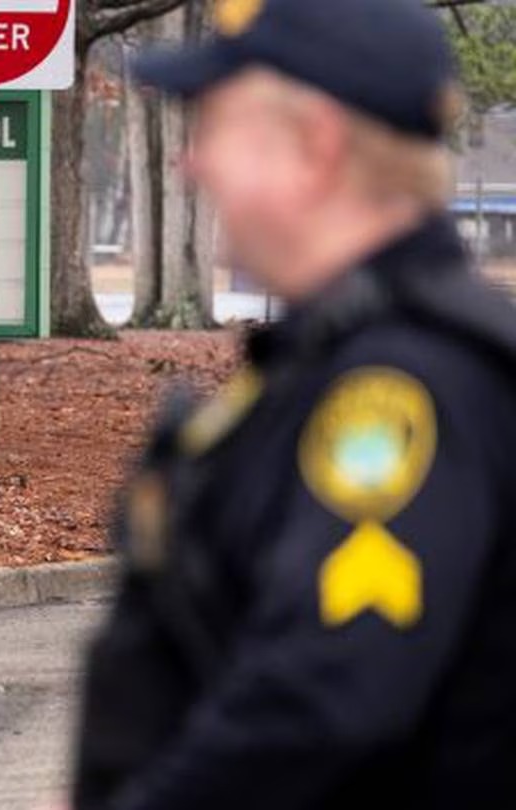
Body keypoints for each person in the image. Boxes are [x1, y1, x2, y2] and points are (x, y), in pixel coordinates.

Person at [74, 0, 516, 808]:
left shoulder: (402, 386)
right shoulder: (334, 358)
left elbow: (323, 700)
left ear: (315, 146)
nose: (192, 164)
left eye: (216, 127)